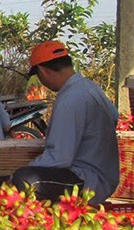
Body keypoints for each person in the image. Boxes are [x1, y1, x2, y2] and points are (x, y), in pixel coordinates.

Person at [8, 41, 119, 204]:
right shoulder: (91, 87)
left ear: (42, 71)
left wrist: (17, 174)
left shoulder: (69, 98)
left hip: (86, 180)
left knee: (24, 179)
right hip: (103, 176)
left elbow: (59, 158)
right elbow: (114, 118)